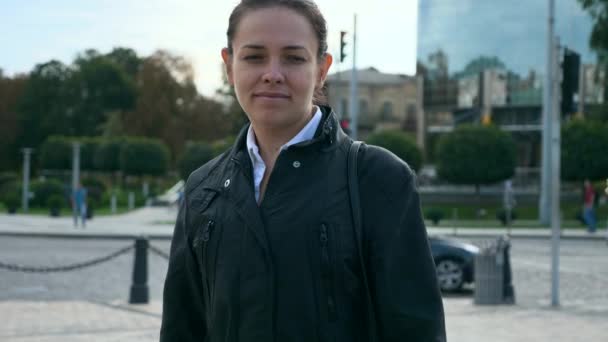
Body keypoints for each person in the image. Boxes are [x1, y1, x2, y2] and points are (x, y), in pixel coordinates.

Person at [160, 0, 445, 341]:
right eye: (254, 56)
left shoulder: (379, 179)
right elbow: (182, 328)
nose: (272, 73)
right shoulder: (202, 187)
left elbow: (416, 331)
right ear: (229, 66)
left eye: (294, 58)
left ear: (322, 69)